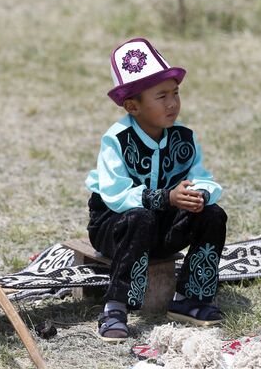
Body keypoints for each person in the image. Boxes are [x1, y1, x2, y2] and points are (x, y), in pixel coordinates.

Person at [85, 38, 227, 342]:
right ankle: (115, 307)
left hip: (160, 230)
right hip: (116, 228)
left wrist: (199, 194)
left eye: (175, 93)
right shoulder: (117, 139)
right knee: (141, 218)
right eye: (161, 96)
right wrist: (167, 197)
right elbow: (116, 195)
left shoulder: (183, 138)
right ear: (132, 106)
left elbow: (203, 177)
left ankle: (191, 298)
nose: (172, 103)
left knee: (212, 214)